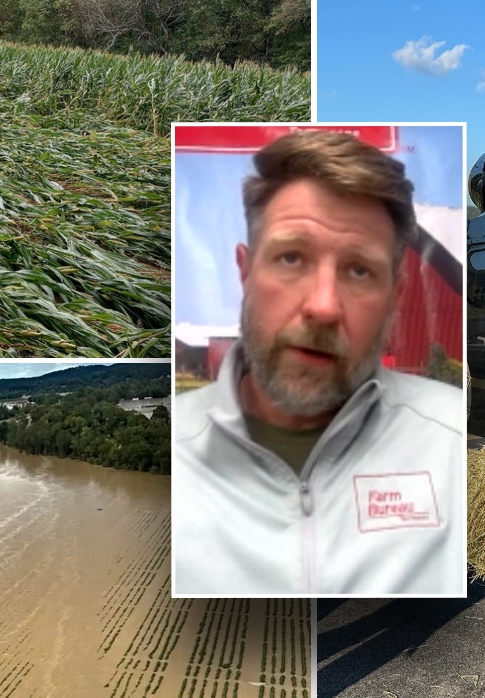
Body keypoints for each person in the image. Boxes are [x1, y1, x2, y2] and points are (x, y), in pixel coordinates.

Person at [172, 130, 465, 596]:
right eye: (292, 257)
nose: (324, 306)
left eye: (358, 270)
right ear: (245, 272)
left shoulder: (447, 437)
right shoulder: (172, 450)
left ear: (395, 295)